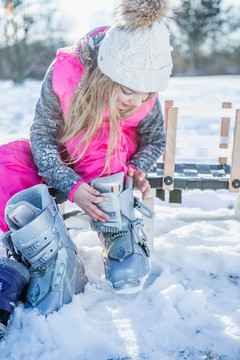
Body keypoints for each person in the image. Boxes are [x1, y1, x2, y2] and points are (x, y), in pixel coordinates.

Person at [0, 0, 173, 338]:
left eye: (146, 93)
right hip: (60, 161)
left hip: (106, 167)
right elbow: (41, 134)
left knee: (101, 137)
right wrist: (70, 184)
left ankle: (117, 233)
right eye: (127, 91)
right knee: (8, 162)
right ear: (107, 75)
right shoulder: (65, 74)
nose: (137, 102)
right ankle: (17, 256)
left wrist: (137, 169)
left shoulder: (144, 96)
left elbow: (155, 140)